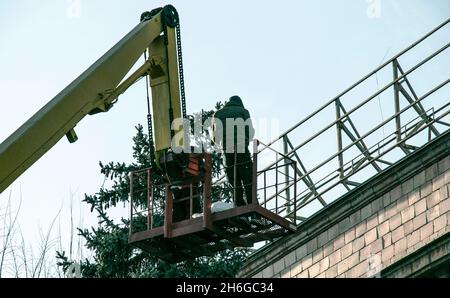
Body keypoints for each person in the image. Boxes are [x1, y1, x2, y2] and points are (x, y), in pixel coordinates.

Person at [213, 96, 255, 206]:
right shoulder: (243, 111)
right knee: (247, 177)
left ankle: (239, 204)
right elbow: (250, 132)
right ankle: (252, 203)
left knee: (233, 179)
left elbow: (215, 138)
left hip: (226, 151)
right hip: (241, 148)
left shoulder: (218, 114)